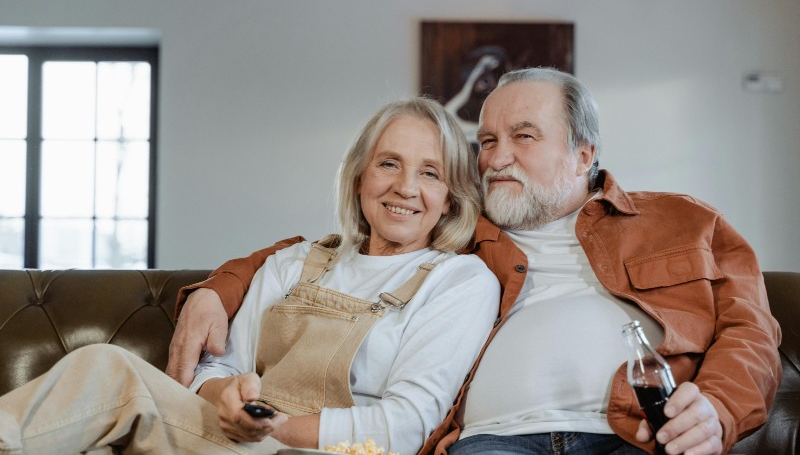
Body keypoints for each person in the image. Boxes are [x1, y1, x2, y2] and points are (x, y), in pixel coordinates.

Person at [167, 68, 782, 455]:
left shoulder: (684, 220)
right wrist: (216, 290)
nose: (496, 157)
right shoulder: (461, 230)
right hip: (492, 443)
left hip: (632, 435)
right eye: (486, 141)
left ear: (583, 151)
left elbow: (751, 331)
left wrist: (720, 409)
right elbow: (331, 251)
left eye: (523, 136)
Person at [0, 97, 500, 455]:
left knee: (113, 385)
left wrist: (279, 429)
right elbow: (215, 372)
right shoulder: (294, 262)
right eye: (388, 163)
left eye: (430, 172)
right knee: (103, 378)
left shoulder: (458, 282)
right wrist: (227, 403)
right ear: (359, 178)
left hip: (323, 450)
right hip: (230, 439)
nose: (405, 187)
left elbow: (406, 427)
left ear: (451, 197)